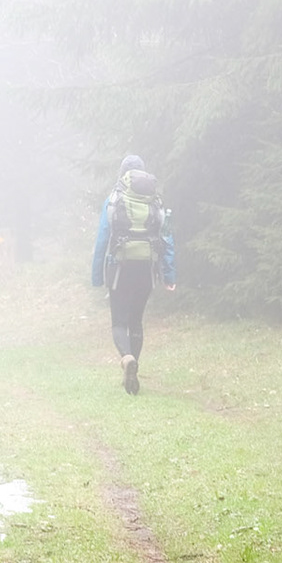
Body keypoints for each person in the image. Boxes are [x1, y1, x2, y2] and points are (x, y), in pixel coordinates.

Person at [90, 153, 176, 394]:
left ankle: (127, 358)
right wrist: (169, 276)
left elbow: (102, 239)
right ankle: (133, 367)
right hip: (147, 269)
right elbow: (167, 239)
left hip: (120, 267)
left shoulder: (114, 199)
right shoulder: (155, 202)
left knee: (119, 322)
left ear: (123, 174)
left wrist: (97, 275)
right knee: (136, 320)